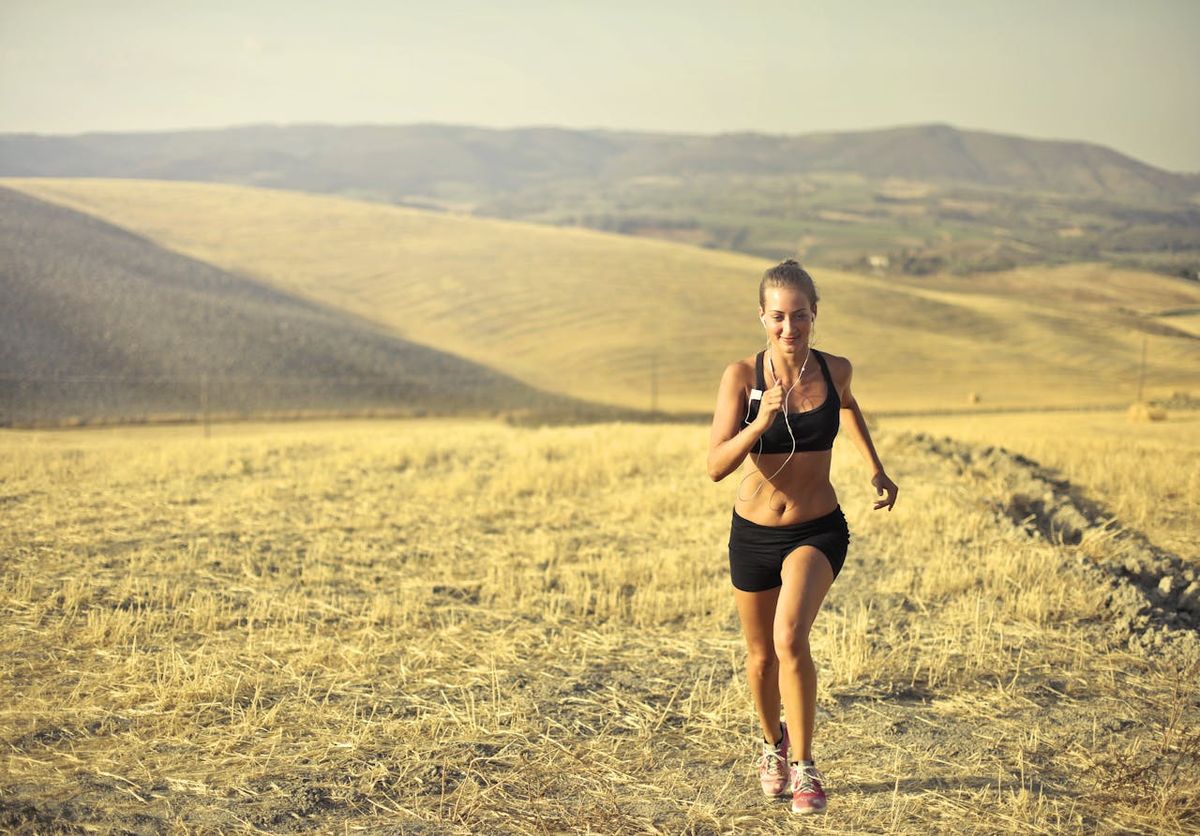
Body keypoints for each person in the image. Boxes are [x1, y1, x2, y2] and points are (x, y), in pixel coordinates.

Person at [706, 259, 898, 815]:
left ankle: (806, 766)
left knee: (791, 638)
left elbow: (850, 407)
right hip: (753, 535)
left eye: (801, 316)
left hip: (817, 528)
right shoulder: (741, 378)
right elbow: (716, 466)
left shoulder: (836, 369)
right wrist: (759, 424)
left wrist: (875, 469)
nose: (790, 328)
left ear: (816, 314)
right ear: (762, 317)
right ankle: (772, 747)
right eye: (778, 317)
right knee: (761, 656)